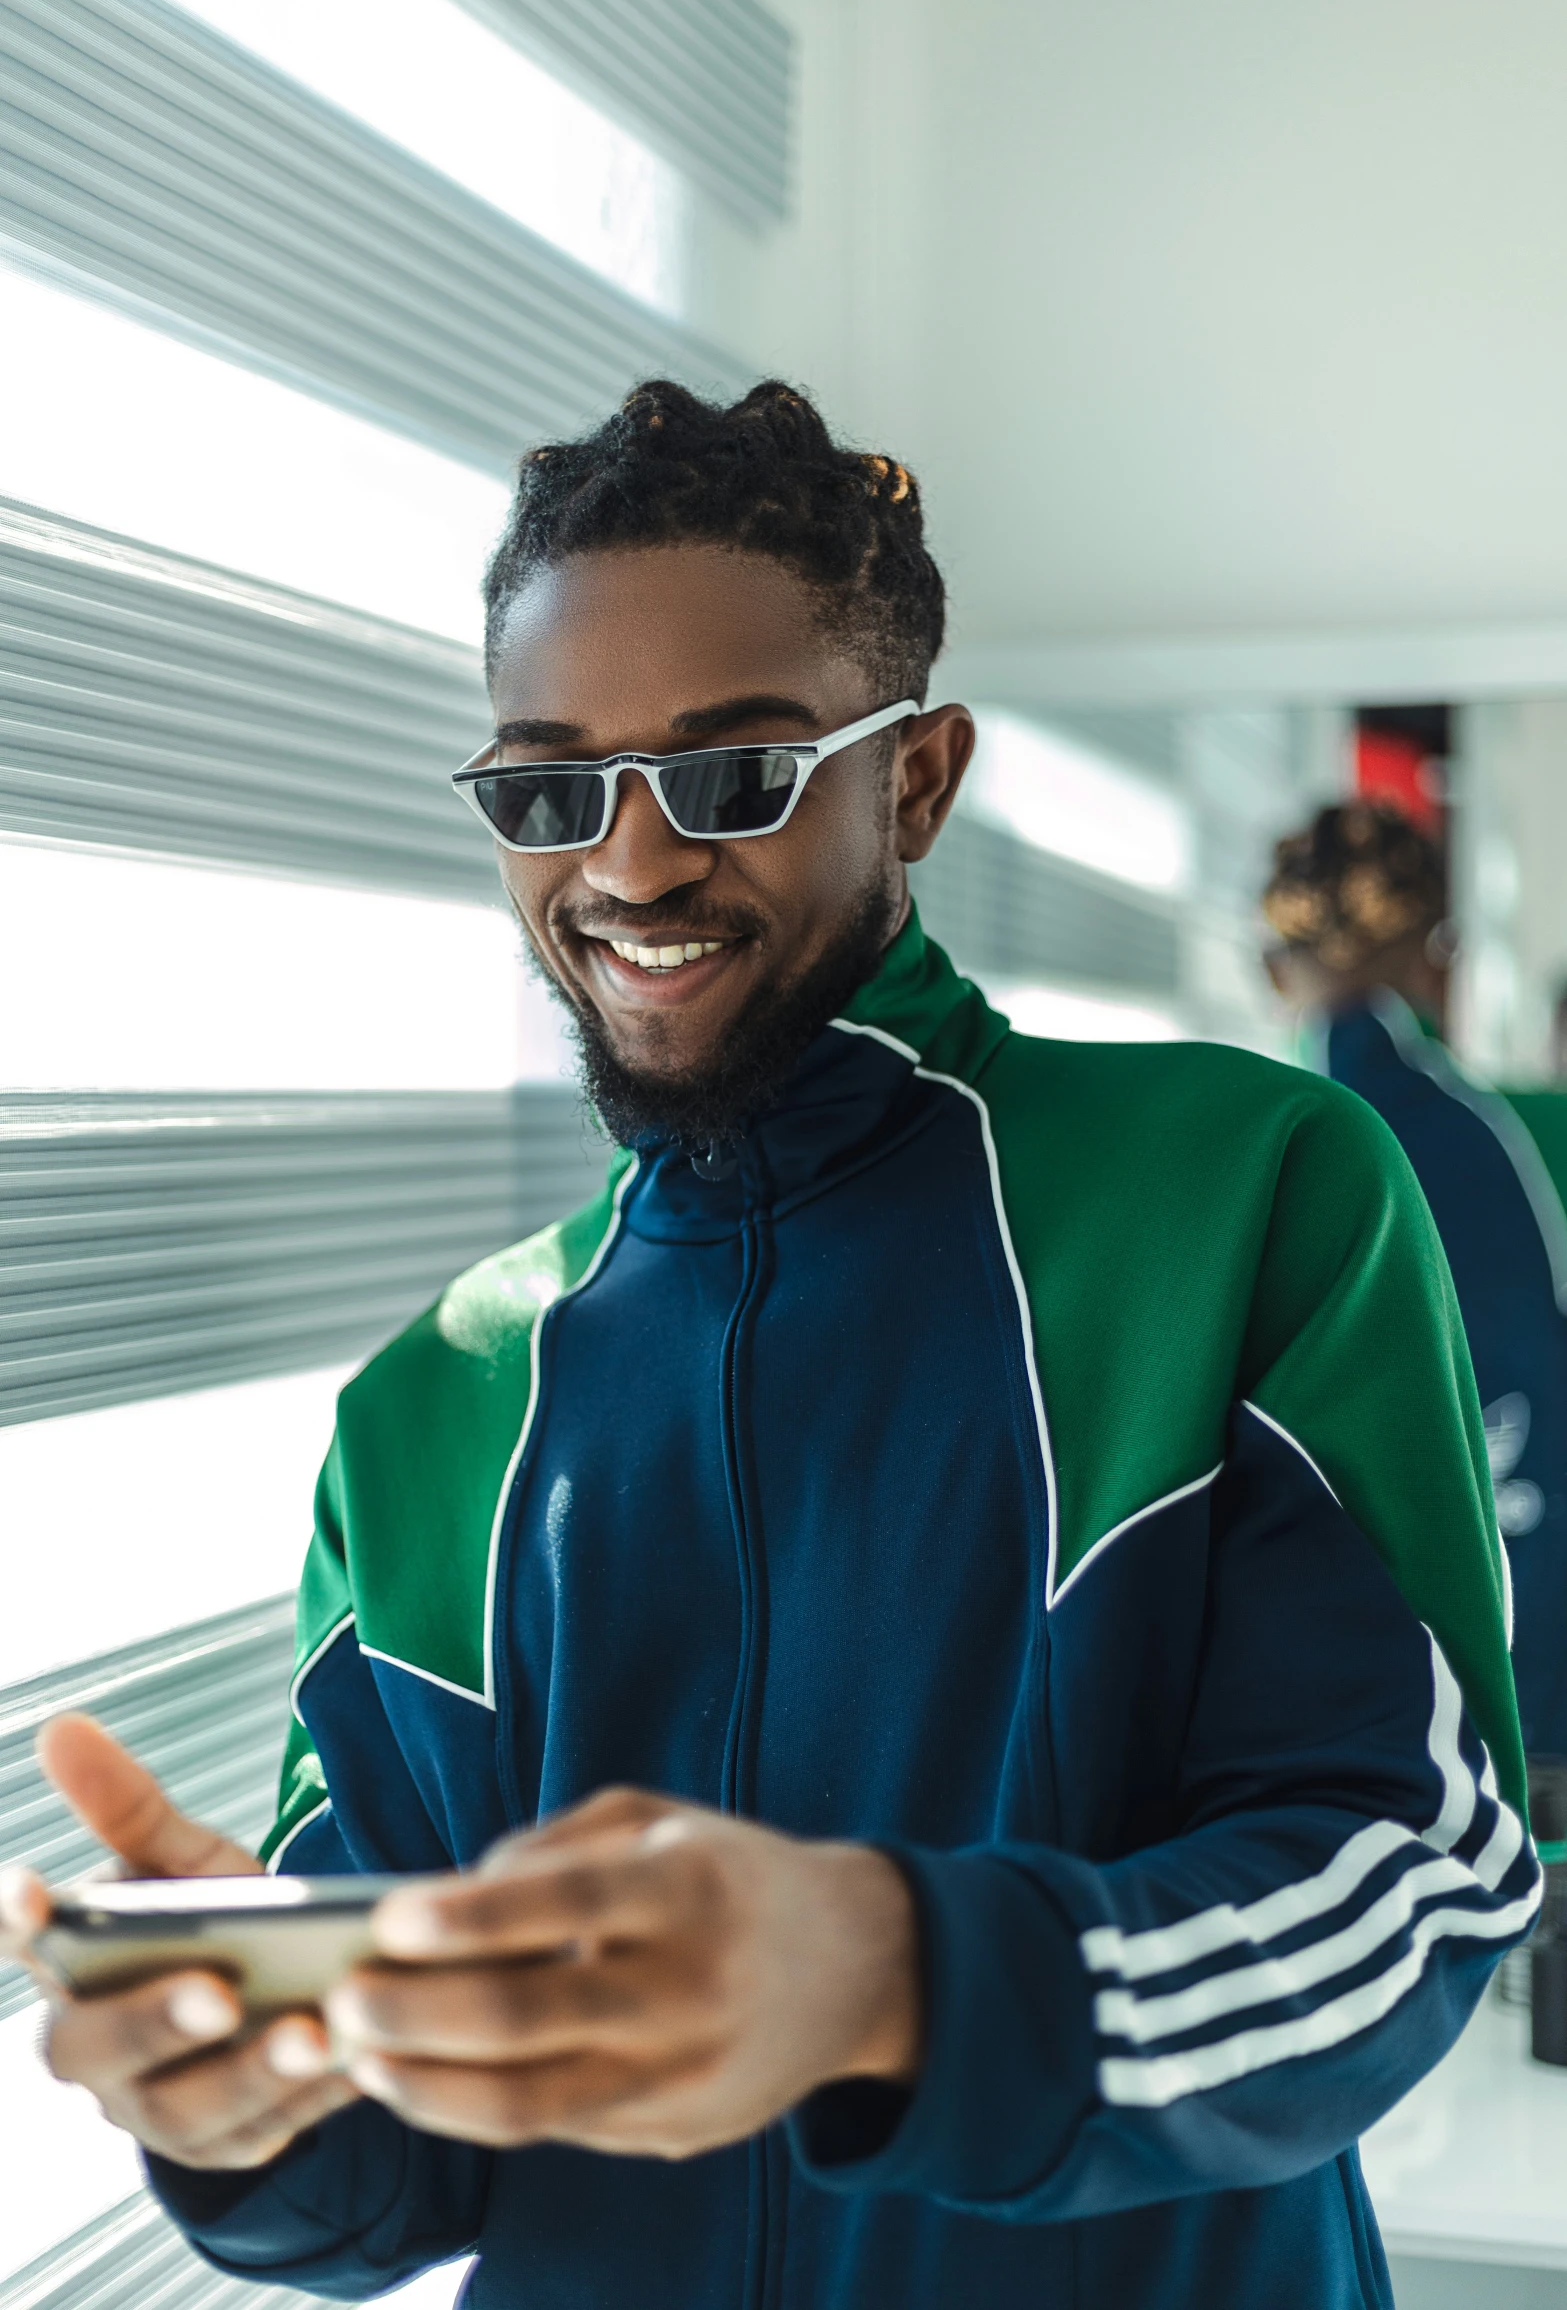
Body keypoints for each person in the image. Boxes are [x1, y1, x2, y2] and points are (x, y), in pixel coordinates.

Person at [0, 384, 1538, 2310]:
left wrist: (884, 1975)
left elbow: (1409, 1889)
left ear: (915, 779)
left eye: (732, 775)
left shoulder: (1245, 1193)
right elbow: (391, 2173)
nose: (628, 870)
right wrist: (241, 2093)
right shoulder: (434, 1405)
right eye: (549, 791)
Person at [1263, 801, 1567, 1761]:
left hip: (1325, 1685)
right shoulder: (1519, 1136)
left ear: (1271, 969)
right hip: (1535, 1659)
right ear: (1444, 957)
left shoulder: (1248, 1140)